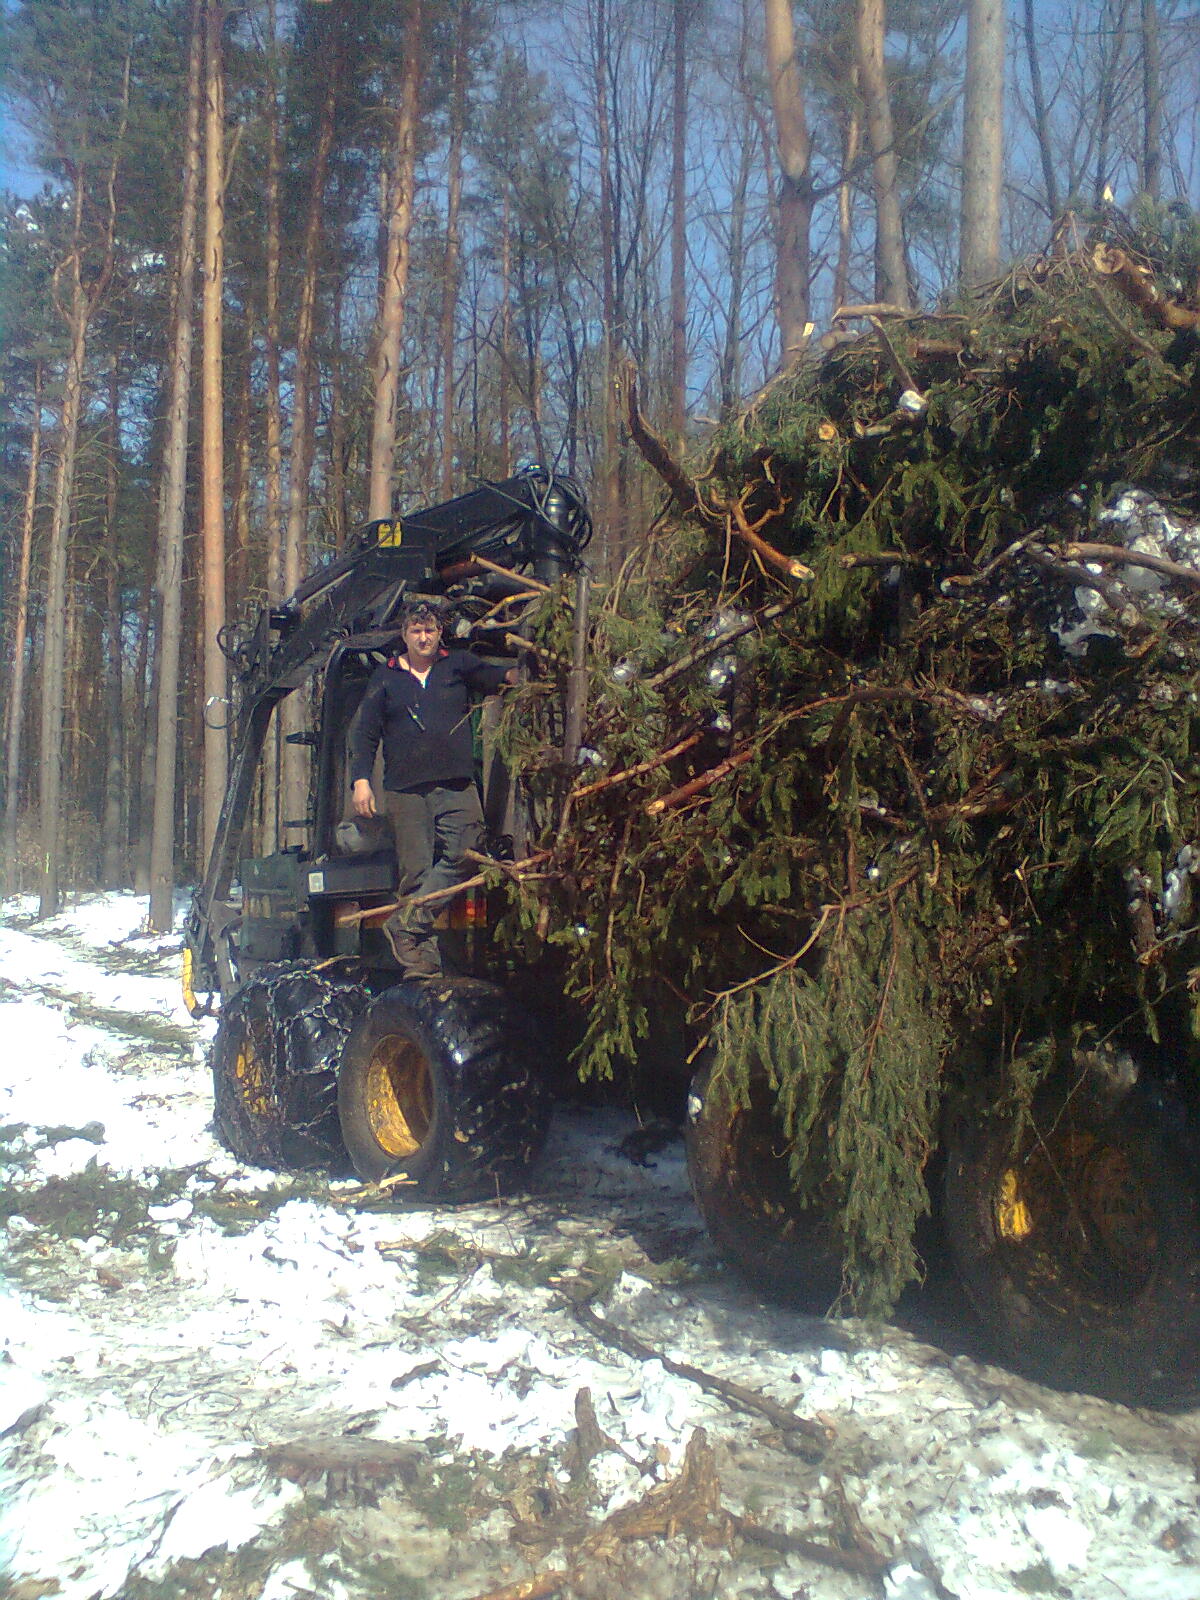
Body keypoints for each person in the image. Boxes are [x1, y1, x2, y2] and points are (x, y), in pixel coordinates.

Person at [348, 597, 520, 977]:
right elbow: (365, 734)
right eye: (416, 630)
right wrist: (361, 781)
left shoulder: (456, 665)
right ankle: (421, 961)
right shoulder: (386, 678)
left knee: (468, 849)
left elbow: (495, 677)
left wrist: (521, 673)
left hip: (456, 784)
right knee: (415, 873)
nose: (423, 637)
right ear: (404, 634)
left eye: (429, 630)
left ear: (440, 632)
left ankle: (406, 923)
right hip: (406, 790)